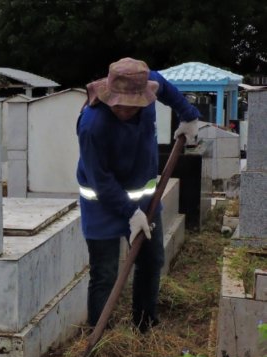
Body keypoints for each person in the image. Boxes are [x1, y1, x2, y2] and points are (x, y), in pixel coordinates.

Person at [76, 57, 200, 333]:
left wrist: (188, 114)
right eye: (119, 105)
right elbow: (101, 180)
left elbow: (165, 86)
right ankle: (99, 336)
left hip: (145, 200)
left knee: (151, 260)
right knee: (105, 274)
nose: (125, 111)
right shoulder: (92, 125)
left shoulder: (147, 83)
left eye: (132, 106)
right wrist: (130, 214)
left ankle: (144, 327)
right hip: (102, 206)